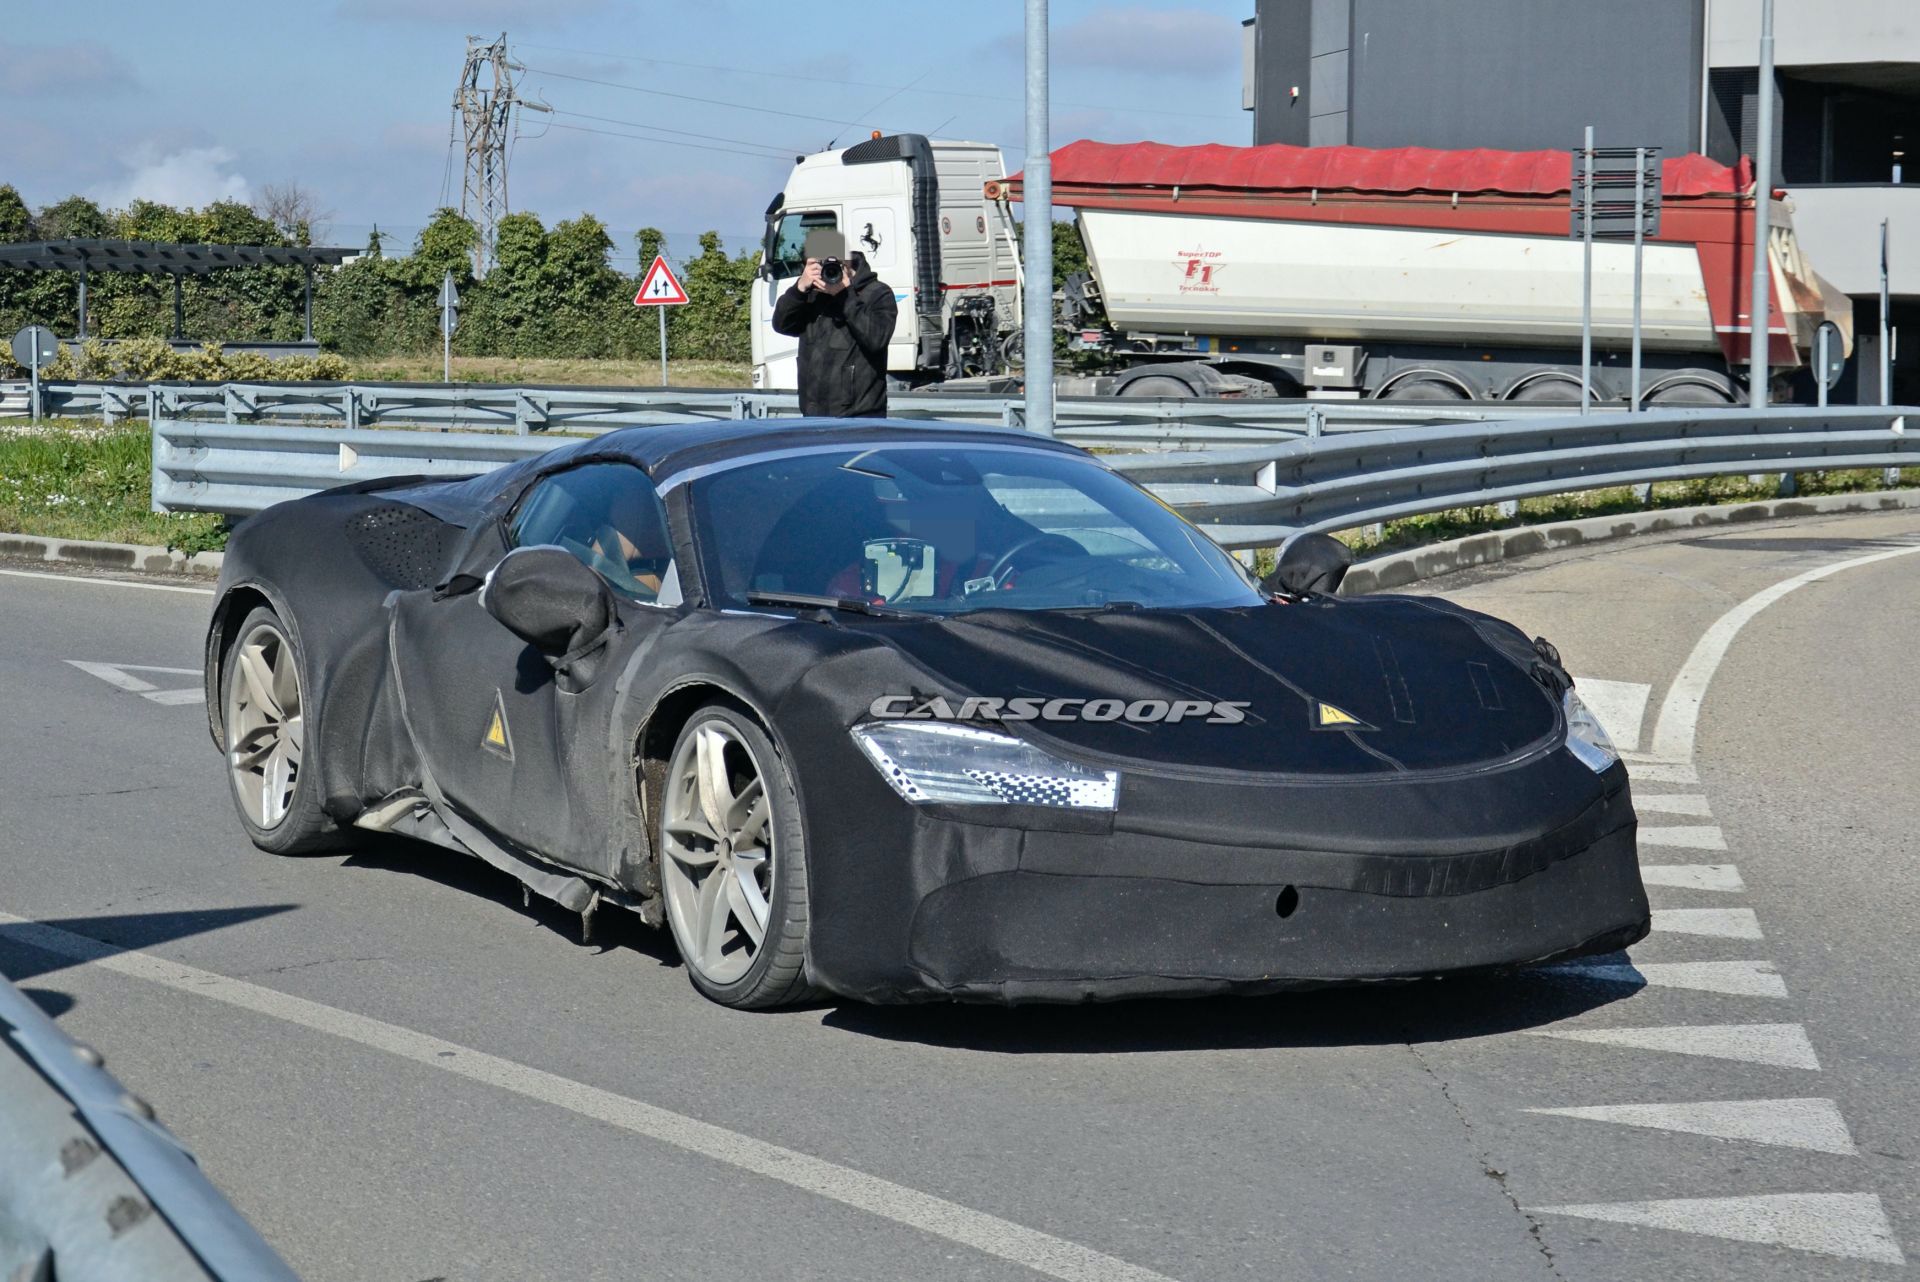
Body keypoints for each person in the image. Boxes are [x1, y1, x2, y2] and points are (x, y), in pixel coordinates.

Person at [771, 228, 898, 418]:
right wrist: (799, 289)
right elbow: (782, 324)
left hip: (860, 418)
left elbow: (876, 339)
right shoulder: (813, 294)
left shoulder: (877, 293)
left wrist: (845, 297)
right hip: (814, 416)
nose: (829, 270)